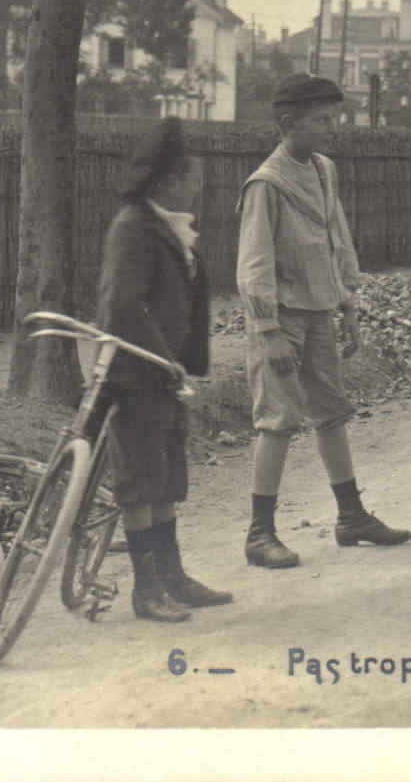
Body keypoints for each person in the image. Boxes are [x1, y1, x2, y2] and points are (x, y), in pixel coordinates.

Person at [236, 73, 411, 568]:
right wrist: (268, 332)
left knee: (331, 412)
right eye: (322, 119)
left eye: (334, 117)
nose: (333, 127)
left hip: (319, 312)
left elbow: (338, 236)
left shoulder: (323, 170)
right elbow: (254, 266)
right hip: (281, 320)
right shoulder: (265, 185)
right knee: (278, 419)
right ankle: (259, 532)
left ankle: (351, 516)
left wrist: (347, 302)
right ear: (290, 124)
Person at [96, 116, 232, 622]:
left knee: (166, 477)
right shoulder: (132, 228)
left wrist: (184, 364)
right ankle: (146, 588)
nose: (199, 188)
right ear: (168, 181)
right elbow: (122, 309)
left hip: (163, 376)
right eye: (194, 179)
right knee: (139, 482)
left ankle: (173, 577)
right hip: (133, 376)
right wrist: (162, 358)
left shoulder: (169, 229)